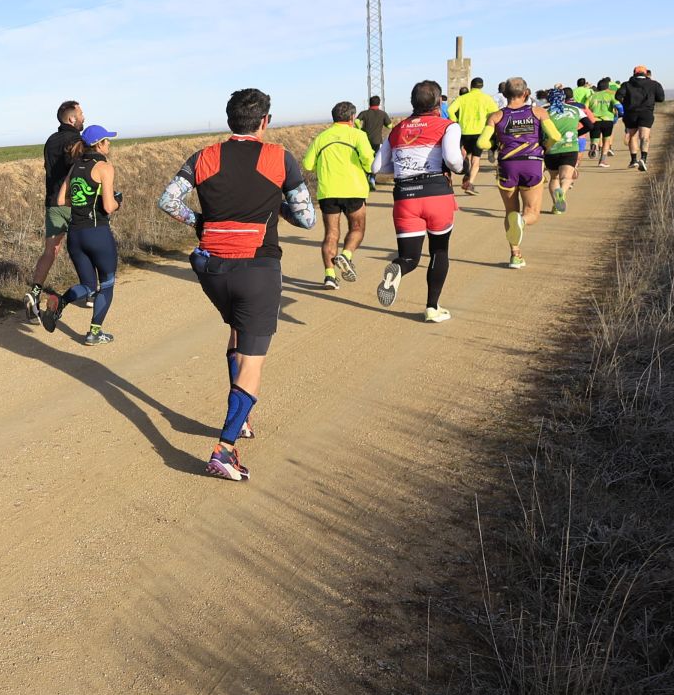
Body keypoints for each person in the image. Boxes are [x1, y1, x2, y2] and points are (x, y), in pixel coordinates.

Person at [158, 88, 315, 482]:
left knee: (236, 332)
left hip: (210, 267)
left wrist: (200, 223)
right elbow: (307, 218)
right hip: (257, 268)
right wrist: (276, 204)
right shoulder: (279, 158)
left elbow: (168, 200)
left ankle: (240, 420)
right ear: (265, 121)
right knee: (253, 358)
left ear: (231, 120)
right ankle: (225, 450)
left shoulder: (204, 156)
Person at [372, 80, 463, 323]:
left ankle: (398, 269)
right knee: (439, 251)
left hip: (405, 197)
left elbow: (376, 167)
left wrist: (403, 169)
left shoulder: (398, 129)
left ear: (412, 102)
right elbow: (453, 160)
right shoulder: (448, 126)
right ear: (439, 101)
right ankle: (432, 308)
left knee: (410, 257)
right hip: (436, 193)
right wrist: (462, 168)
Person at [36, 124, 122, 344]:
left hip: (75, 235)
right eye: (107, 140)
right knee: (107, 283)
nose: (109, 143)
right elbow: (110, 206)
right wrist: (118, 200)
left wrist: (82, 201)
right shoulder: (104, 167)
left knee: (87, 285)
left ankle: (60, 303)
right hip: (98, 233)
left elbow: (61, 200)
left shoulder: (74, 167)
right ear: (99, 144)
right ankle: (94, 332)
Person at [487, 78, 558, 268]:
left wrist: (488, 147)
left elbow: (482, 142)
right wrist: (545, 148)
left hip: (507, 165)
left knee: (510, 212)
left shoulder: (495, 116)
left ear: (504, 94)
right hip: (532, 164)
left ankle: (515, 255)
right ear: (526, 93)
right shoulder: (538, 112)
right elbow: (555, 136)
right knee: (532, 213)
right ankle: (523, 221)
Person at [301, 101, 373, 289]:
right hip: (354, 190)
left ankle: (329, 276)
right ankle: (346, 255)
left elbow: (308, 165)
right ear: (352, 117)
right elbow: (368, 159)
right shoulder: (358, 135)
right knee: (357, 228)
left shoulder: (321, 137)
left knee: (331, 234)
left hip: (328, 191)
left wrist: (322, 167)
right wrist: (366, 169)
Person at [27, 101, 84, 319]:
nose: (83, 117)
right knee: (83, 247)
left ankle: (34, 293)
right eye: (81, 113)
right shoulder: (77, 141)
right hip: (73, 204)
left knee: (50, 251)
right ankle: (89, 291)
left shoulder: (50, 141)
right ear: (72, 119)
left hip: (52, 203)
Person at [450, 76, 500, 195]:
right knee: (476, 161)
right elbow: (495, 113)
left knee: (463, 155)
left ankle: (457, 178)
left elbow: (451, 110)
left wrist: (455, 121)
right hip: (479, 132)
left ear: (471, 86)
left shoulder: (462, 98)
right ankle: (470, 184)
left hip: (463, 132)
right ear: (482, 86)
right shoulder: (487, 98)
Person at [542, 87, 586, 214]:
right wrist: (576, 133)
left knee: (554, 177)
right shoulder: (575, 109)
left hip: (551, 148)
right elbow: (589, 124)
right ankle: (562, 191)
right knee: (566, 177)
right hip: (570, 146)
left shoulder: (546, 112)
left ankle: (556, 207)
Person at [616, 66, 665, 171]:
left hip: (631, 113)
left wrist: (626, 104)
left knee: (633, 136)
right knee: (645, 136)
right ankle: (643, 158)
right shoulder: (654, 84)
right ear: (646, 73)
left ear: (634, 73)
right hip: (646, 112)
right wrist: (650, 99)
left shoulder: (626, 84)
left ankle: (633, 160)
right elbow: (661, 98)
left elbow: (618, 96)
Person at [587, 76, 620, 165]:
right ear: (607, 87)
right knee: (606, 140)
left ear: (598, 87)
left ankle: (594, 146)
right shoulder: (611, 95)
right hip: (608, 120)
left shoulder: (592, 96)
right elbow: (619, 106)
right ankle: (602, 160)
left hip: (594, 120)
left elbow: (585, 108)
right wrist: (620, 115)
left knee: (595, 139)